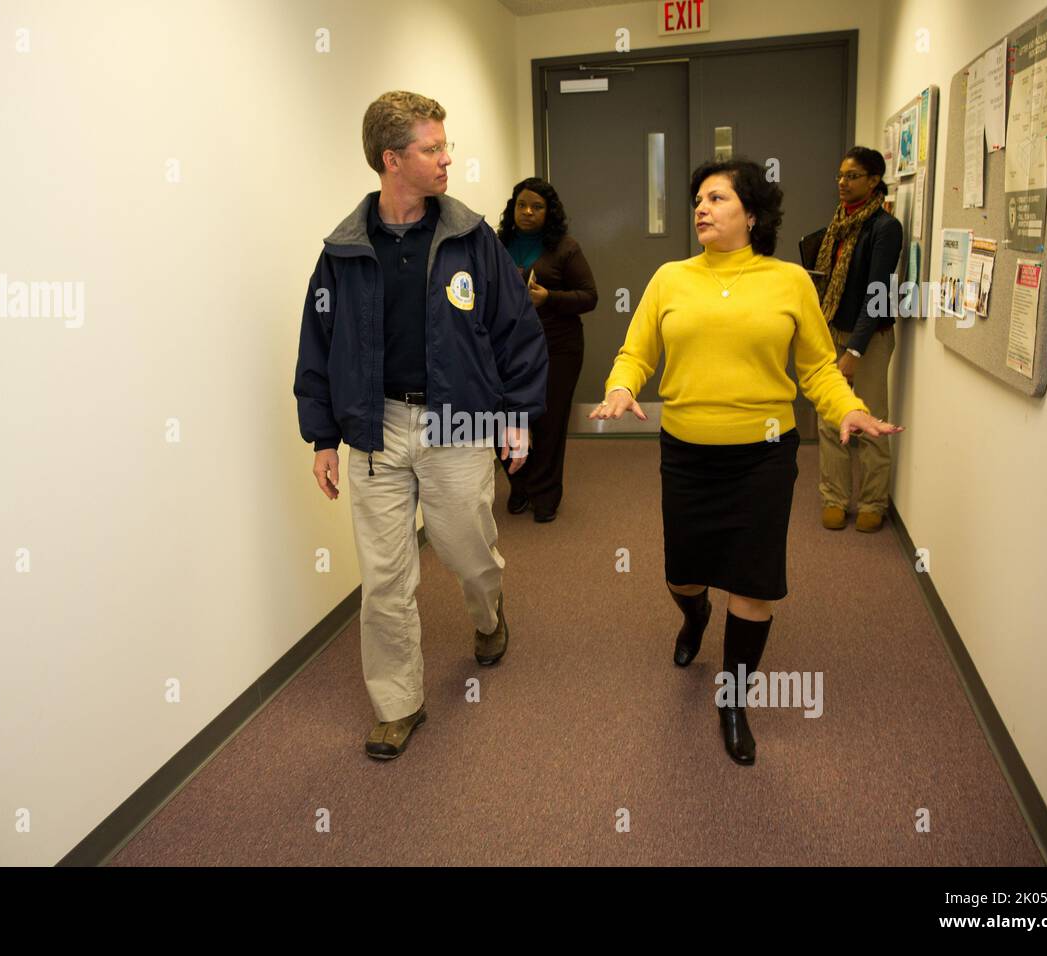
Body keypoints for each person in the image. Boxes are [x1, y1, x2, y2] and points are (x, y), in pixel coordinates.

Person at [591, 158, 903, 766]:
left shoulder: (788, 282)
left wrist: (847, 408)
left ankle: (733, 701)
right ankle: (693, 612)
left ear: (752, 214)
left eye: (717, 198)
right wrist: (621, 388)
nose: (702, 209)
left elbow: (815, 366)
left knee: (754, 581)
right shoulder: (670, 279)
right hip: (687, 452)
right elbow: (636, 351)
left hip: (763, 455)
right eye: (698, 200)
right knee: (682, 572)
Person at [293, 91, 548, 760]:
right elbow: (317, 344)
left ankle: (489, 617)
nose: (447, 158)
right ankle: (396, 704)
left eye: (445, 145)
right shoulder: (346, 251)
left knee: (468, 552)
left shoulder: (470, 239)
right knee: (384, 578)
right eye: (433, 149)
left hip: (458, 419)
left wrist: (516, 415)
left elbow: (515, 330)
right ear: (392, 159)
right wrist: (323, 436)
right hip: (375, 427)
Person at [496, 178, 598, 522]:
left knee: (548, 422)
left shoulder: (565, 248)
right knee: (506, 418)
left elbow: (589, 296)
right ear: (513, 208)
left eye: (537, 207)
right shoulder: (497, 245)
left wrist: (548, 298)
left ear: (548, 212)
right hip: (506, 351)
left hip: (558, 348)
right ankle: (519, 485)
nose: (527, 212)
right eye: (522, 205)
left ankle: (545, 494)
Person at [814, 146, 904, 533]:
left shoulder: (885, 228)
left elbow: (877, 292)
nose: (842, 183)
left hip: (868, 337)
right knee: (829, 419)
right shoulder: (839, 222)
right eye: (840, 175)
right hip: (832, 329)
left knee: (869, 419)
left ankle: (872, 502)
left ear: (873, 180)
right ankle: (834, 497)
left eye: (851, 176)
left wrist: (854, 350)